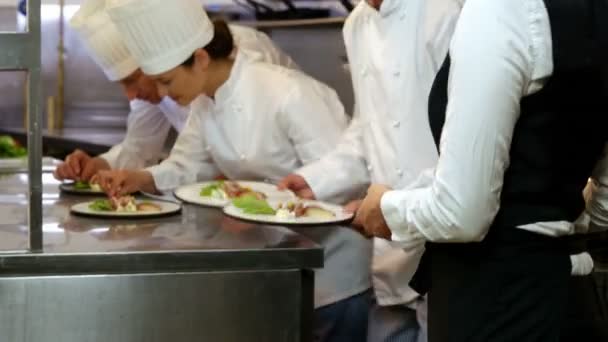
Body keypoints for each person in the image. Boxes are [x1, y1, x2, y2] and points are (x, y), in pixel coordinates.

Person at [100, 0, 373, 340]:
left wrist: (267, 207)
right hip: (279, 264)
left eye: (167, 81)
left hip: (333, 270)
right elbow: (190, 164)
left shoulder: (286, 92)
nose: (161, 94)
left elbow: (347, 174)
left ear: (200, 59)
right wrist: (141, 178)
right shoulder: (205, 100)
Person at [353, 0, 608, 341]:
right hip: (572, 300)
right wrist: (553, 216)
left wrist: (387, 208)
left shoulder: (501, 10)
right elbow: (604, 206)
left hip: (494, 305)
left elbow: (462, 214)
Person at [278, 0, 461, 340]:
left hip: (446, 238)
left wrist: (396, 205)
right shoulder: (357, 24)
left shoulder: (445, 11)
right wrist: (315, 180)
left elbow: (464, 140)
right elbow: (367, 129)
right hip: (390, 253)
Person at [54, 0, 297, 182]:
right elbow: (151, 151)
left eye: (132, 80)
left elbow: (268, 157)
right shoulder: (165, 89)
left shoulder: (249, 59)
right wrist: (99, 165)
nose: (131, 95)